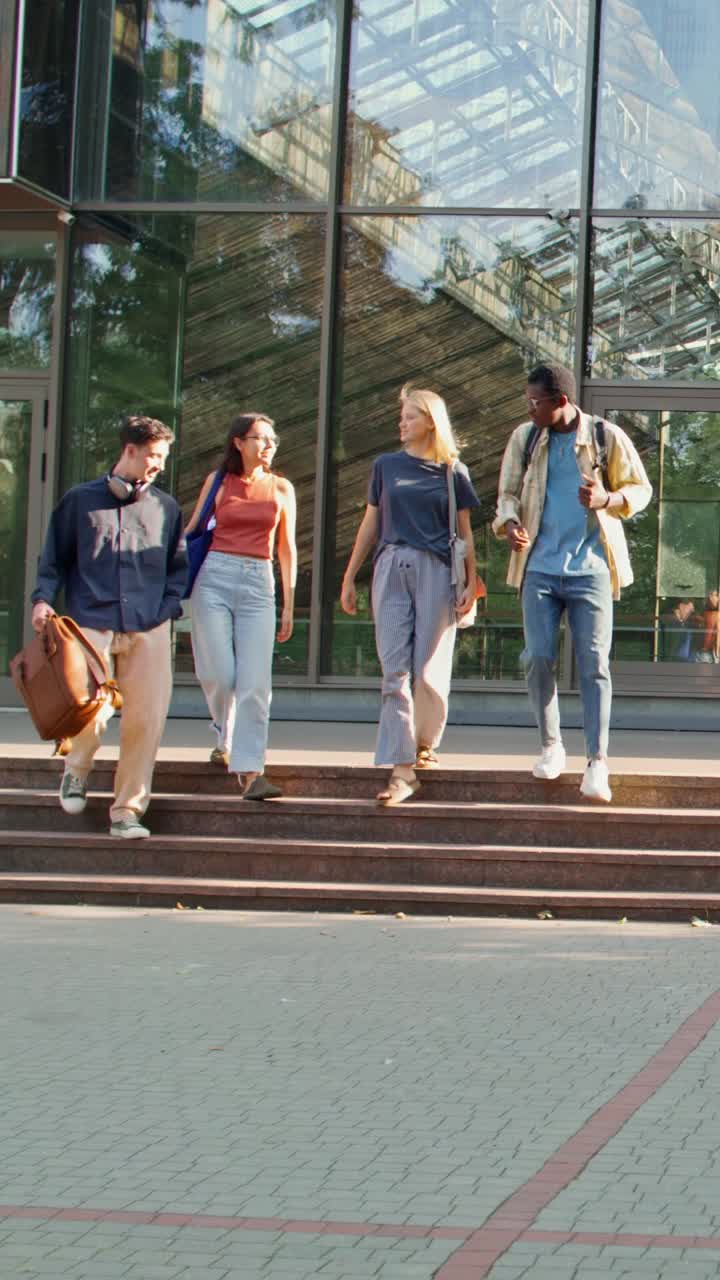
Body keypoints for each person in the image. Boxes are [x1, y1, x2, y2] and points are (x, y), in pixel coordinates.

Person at [494, 364, 652, 804]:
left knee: (594, 664)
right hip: (539, 569)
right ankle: (551, 745)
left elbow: (641, 489)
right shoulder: (525, 439)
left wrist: (608, 499)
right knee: (537, 657)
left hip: (592, 569)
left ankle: (597, 761)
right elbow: (506, 494)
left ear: (560, 402)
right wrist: (509, 523)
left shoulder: (606, 437)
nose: (530, 408)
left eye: (535, 402)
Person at [31, 415, 187, 838]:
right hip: (90, 622)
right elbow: (53, 559)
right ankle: (76, 769)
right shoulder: (79, 501)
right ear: (129, 451)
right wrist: (43, 600)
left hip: (149, 625)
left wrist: (169, 607)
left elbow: (178, 567)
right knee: (90, 711)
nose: (159, 464)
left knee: (146, 720)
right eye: (153, 455)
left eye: (163, 457)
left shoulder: (166, 508)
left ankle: (127, 812)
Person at [340, 384, 479, 805]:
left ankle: (425, 742)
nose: (401, 423)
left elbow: (466, 534)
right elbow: (370, 524)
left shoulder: (454, 472)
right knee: (394, 670)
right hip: (390, 567)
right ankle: (401, 771)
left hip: (437, 569)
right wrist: (350, 577)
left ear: (431, 422)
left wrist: (471, 583)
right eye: (401, 416)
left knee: (428, 670)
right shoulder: (385, 466)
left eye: (410, 416)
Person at [186, 413, 296, 800]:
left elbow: (287, 548)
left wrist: (287, 604)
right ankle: (224, 732)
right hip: (214, 576)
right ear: (238, 442)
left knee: (255, 683)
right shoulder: (218, 482)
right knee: (219, 673)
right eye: (261, 438)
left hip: (259, 582)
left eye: (273, 439)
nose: (269, 445)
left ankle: (251, 772)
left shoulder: (281, 488)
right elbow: (194, 530)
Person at [695, 592, 719, 663]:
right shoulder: (708, 614)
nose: (709, 597)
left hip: (708, 652)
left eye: (712, 595)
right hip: (706, 651)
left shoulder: (713, 615)